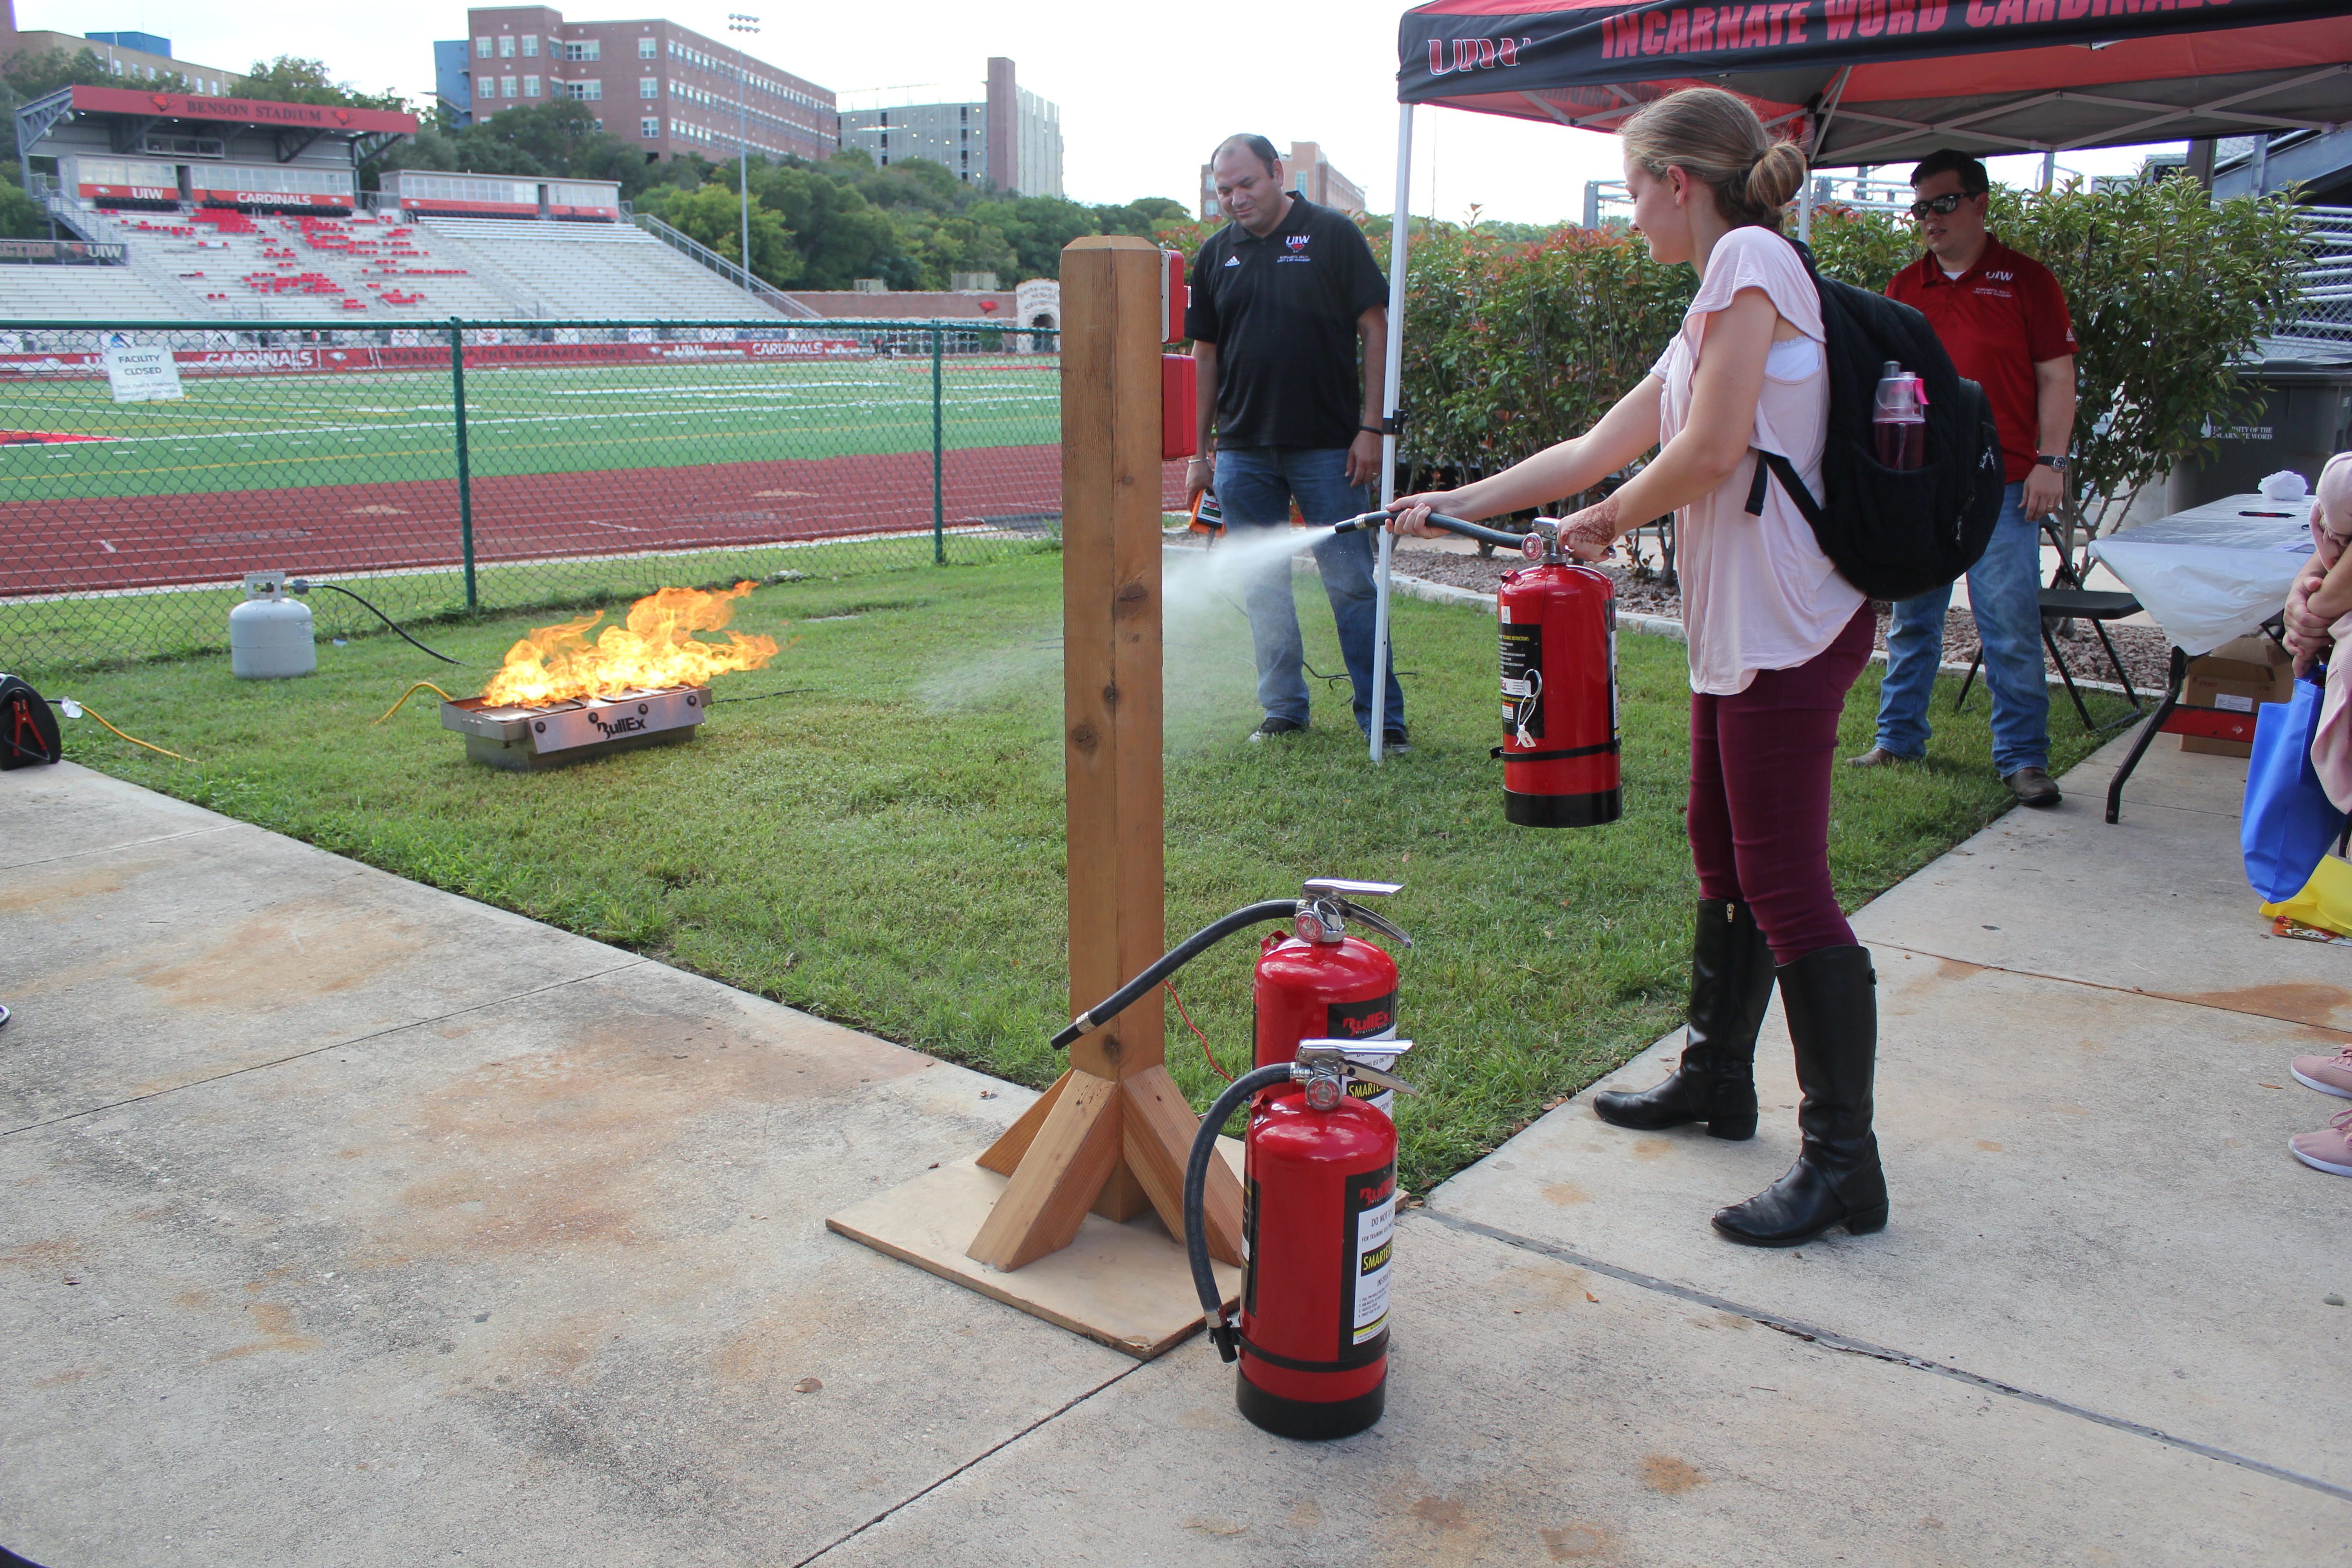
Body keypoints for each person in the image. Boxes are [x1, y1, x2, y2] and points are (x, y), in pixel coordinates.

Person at [1390, 87, 1885, 1247]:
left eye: (1631, 191)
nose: (1630, 217)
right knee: (1723, 852)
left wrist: (1604, 521)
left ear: (1679, 181)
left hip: (1789, 625)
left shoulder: (1751, 260)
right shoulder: (1712, 302)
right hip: (1743, 627)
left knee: (1786, 882)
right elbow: (1600, 446)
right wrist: (1454, 504)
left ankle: (1844, 1169)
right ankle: (1718, 1082)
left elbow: (1706, 453)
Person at [1849, 150, 2079, 808]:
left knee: (2007, 620)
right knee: (1913, 616)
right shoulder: (1903, 285)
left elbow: (2057, 376)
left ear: (1980, 203)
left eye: (1943, 204)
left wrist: (2051, 461)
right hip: (1921, 481)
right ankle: (1897, 738)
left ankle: (2024, 759)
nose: (1929, 218)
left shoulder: (2028, 280)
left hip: (2006, 482)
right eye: (1919, 207)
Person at [1185, 133, 1407, 747]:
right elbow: (1205, 358)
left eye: (1246, 184)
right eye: (1224, 190)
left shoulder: (1332, 235)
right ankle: (1285, 710)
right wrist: (1201, 454)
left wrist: (1371, 428)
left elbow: (1376, 328)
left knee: (1353, 583)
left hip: (1330, 449)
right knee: (1263, 583)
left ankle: (1383, 722)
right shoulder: (1215, 256)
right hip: (1242, 453)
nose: (1235, 199)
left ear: (1277, 173)